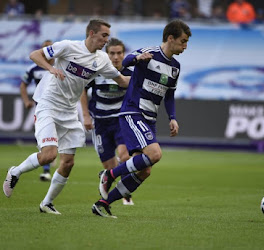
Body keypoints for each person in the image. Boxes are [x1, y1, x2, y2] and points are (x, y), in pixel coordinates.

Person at [3, 18, 130, 215]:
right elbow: (34, 55)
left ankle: (47, 203)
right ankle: (15, 172)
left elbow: (122, 81)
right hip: (49, 105)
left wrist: (144, 78)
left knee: (68, 162)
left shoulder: (101, 60)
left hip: (69, 111)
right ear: (91, 34)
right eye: (104, 35)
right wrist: (51, 68)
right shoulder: (68, 47)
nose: (106, 40)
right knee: (49, 155)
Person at [92, 19, 192, 218]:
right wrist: (137, 60)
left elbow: (169, 94)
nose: (185, 46)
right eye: (182, 41)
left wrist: (172, 117)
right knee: (155, 155)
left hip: (150, 119)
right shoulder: (150, 53)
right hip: (133, 112)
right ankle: (109, 174)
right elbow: (126, 62)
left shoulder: (175, 67)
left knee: (145, 170)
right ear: (170, 38)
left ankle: (103, 203)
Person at [80, 37, 134, 205]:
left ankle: (126, 193)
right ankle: (112, 176)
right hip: (100, 124)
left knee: (125, 155)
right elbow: (82, 90)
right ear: (106, 54)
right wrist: (86, 116)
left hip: (120, 121)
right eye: (112, 53)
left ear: (124, 54)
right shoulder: (96, 71)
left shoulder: (129, 74)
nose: (116, 57)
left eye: (119, 53)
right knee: (109, 167)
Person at [20, 40, 54, 182]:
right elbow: (23, 85)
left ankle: (59, 167)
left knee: (57, 141)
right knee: (46, 139)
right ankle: (47, 170)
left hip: (59, 108)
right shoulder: (33, 69)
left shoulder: (60, 66)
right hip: (42, 108)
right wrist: (26, 101)